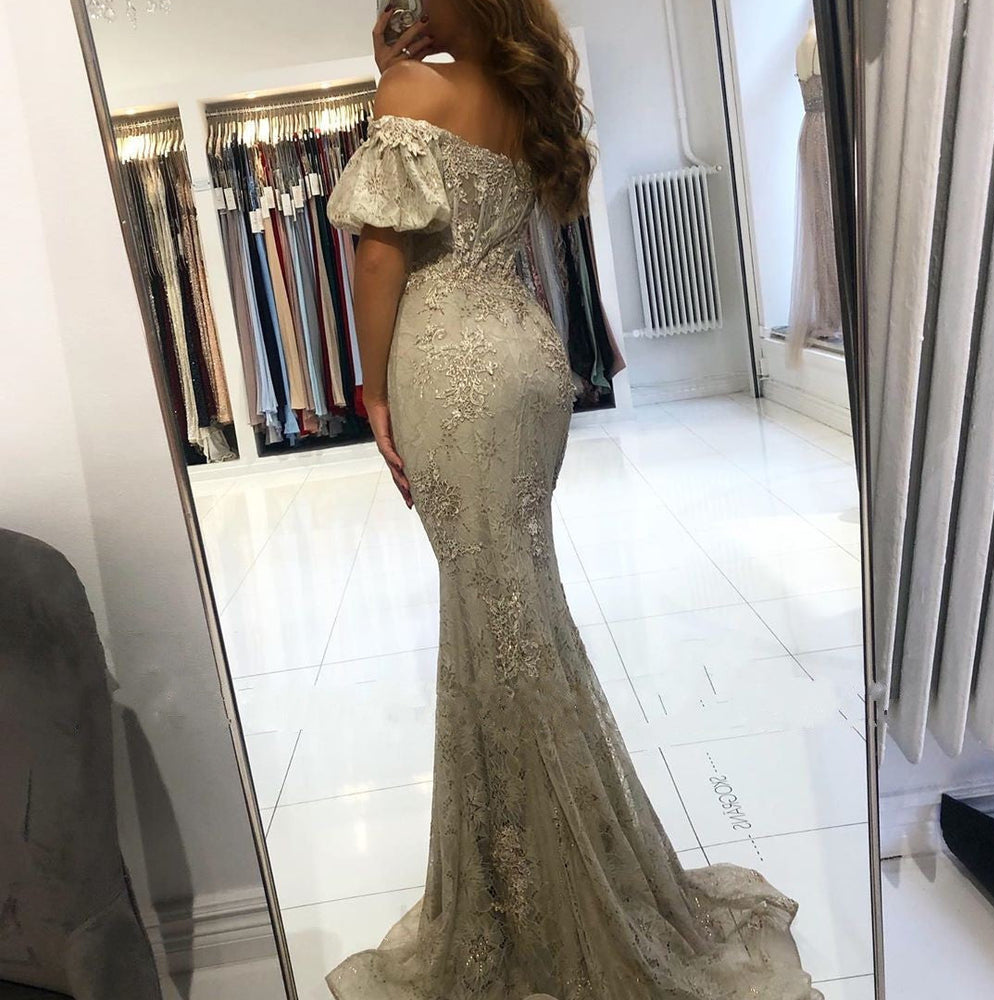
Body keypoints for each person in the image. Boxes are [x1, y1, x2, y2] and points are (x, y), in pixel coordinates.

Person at [325, 2, 823, 997]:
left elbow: (380, 255)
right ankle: (544, 874)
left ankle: (548, 898)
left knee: (496, 631)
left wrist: (371, 390)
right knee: (518, 623)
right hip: (525, 358)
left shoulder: (412, 90)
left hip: (450, 372)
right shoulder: (522, 95)